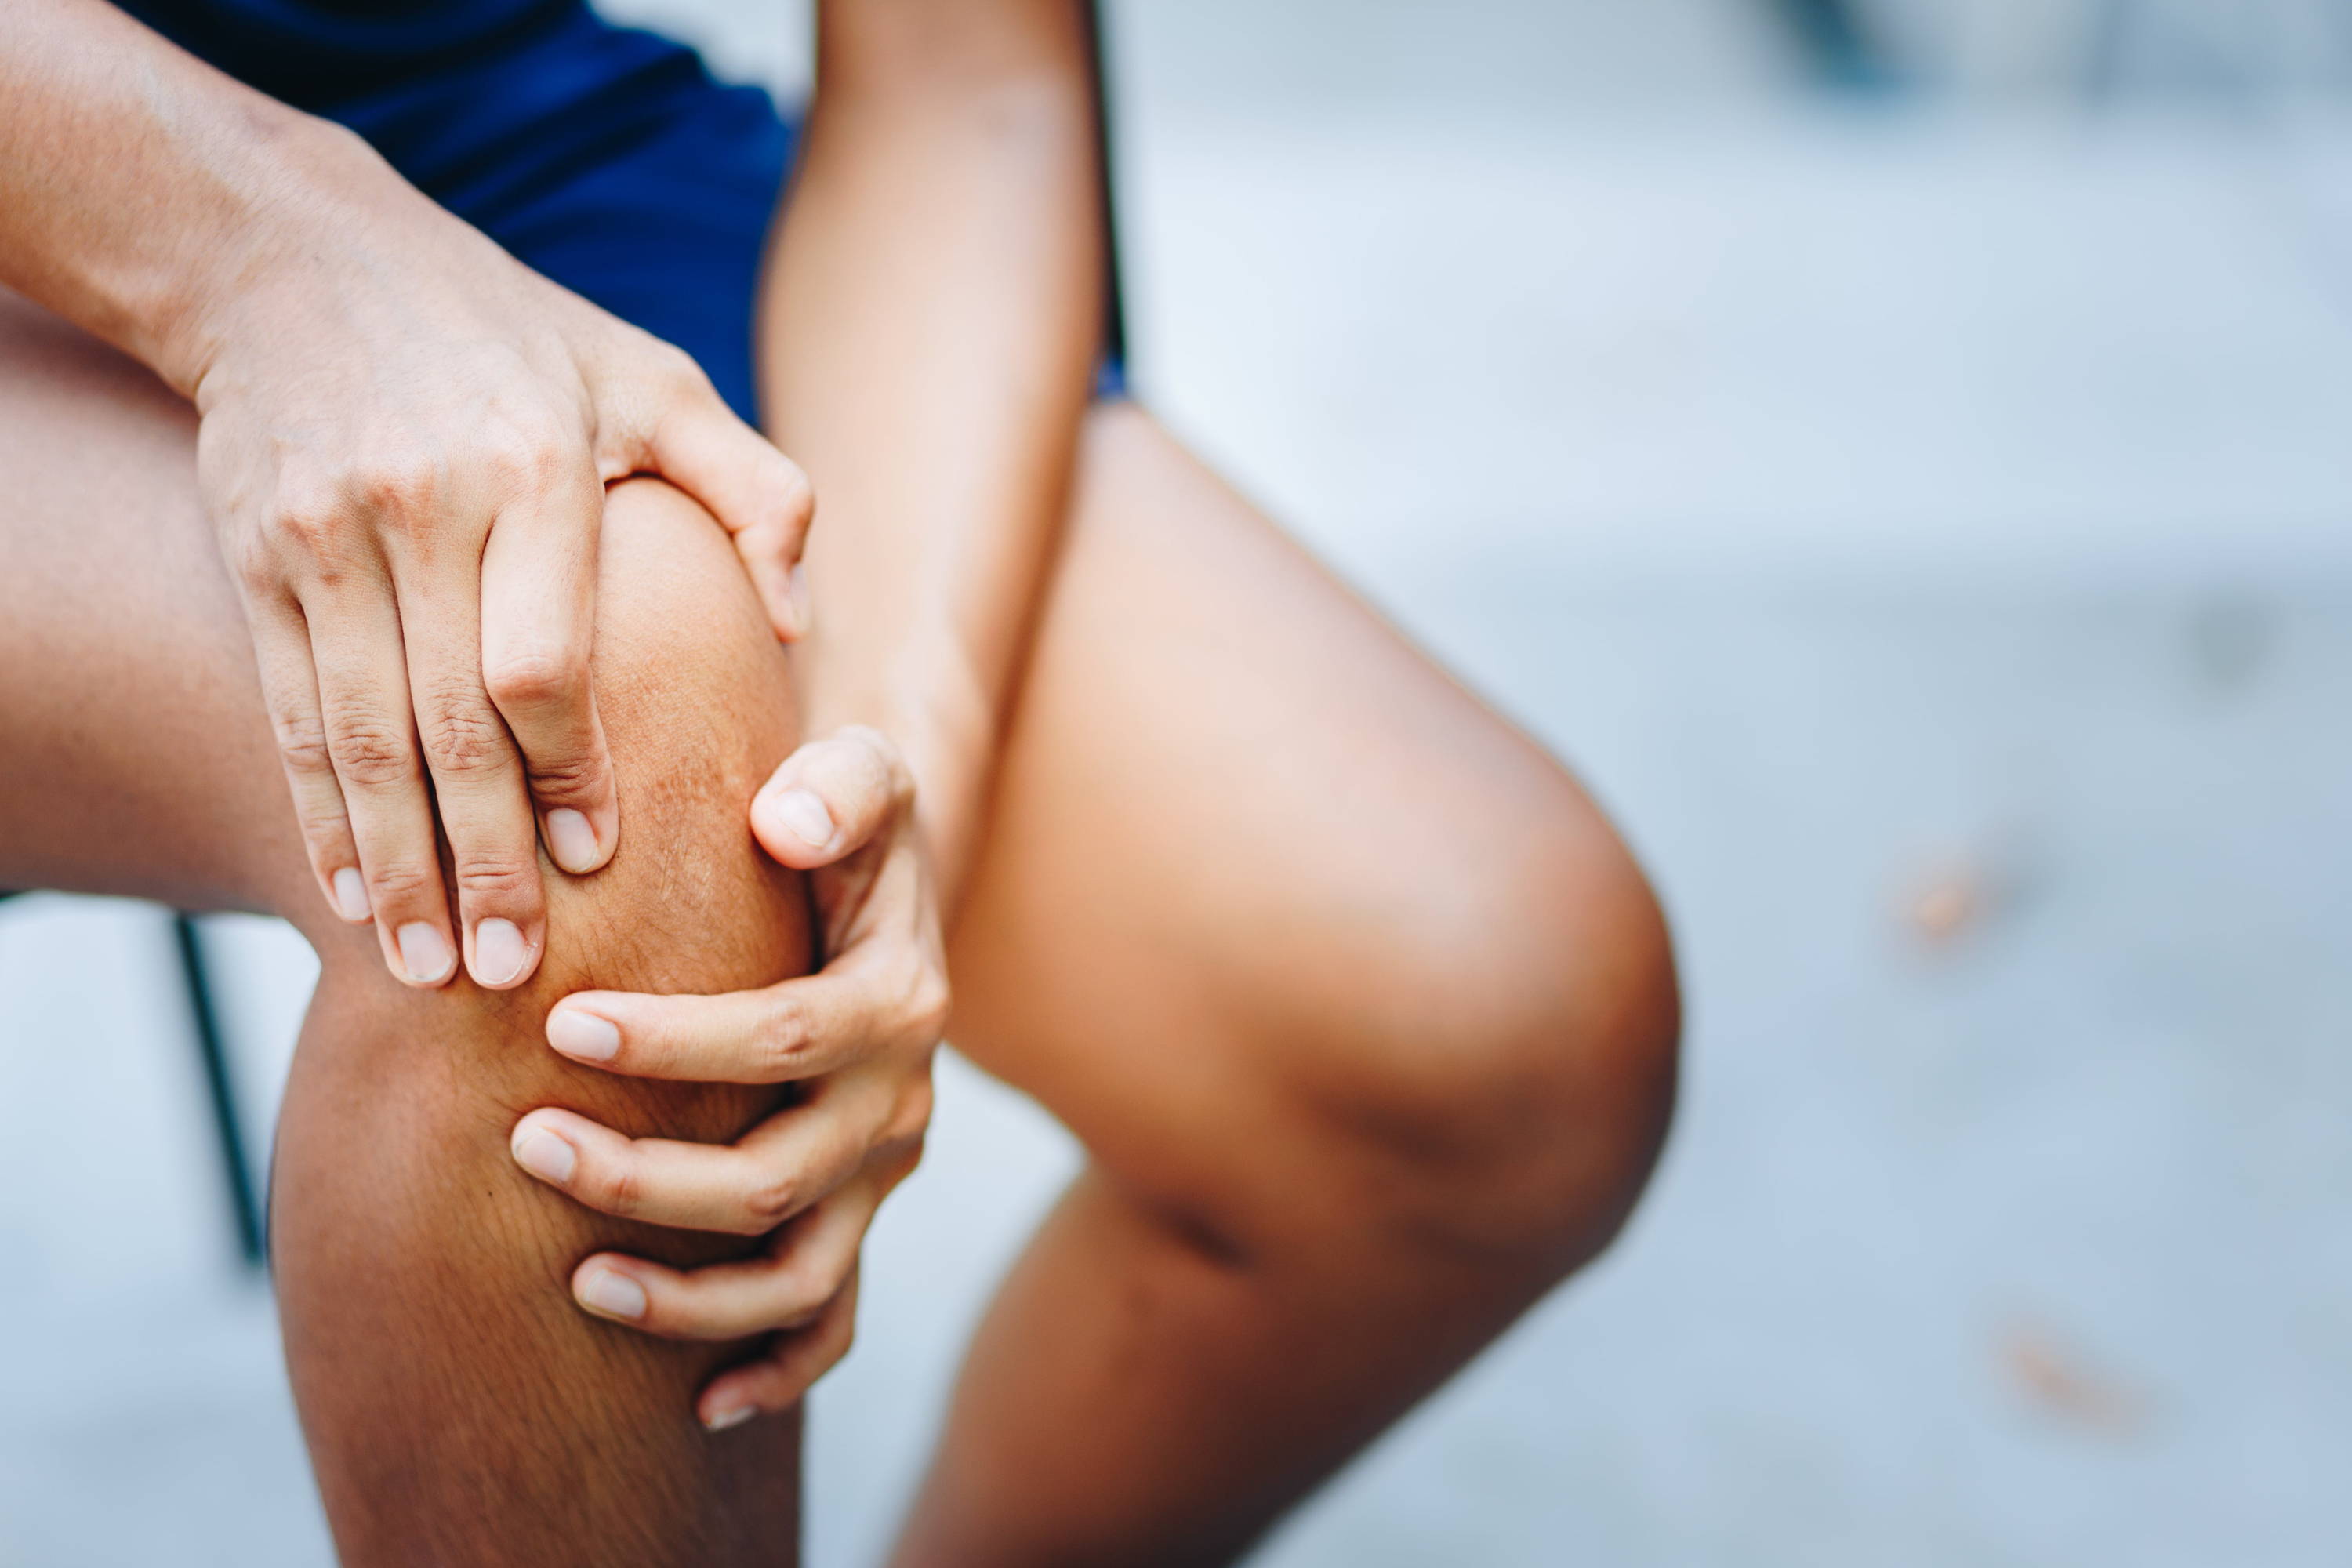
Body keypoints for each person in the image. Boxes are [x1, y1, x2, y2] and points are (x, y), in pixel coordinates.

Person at [0, 0, 1681, 1562]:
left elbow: (965, 80)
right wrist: (255, 245)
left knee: (1486, 1025)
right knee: (588, 737)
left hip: (477, 129)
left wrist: (882, 788)